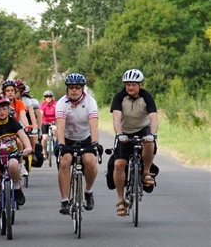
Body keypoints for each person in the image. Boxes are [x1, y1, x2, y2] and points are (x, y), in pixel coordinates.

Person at [110, 69, 158, 217]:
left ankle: (146, 172)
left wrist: (153, 135)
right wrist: (119, 135)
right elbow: (116, 118)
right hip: (124, 132)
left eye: (133, 85)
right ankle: (121, 200)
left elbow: (154, 118)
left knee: (149, 143)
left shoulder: (146, 96)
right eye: (128, 84)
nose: (130, 87)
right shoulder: (119, 97)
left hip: (142, 129)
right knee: (118, 165)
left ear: (140, 85)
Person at [55, 73, 102, 215]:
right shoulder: (61, 103)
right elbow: (61, 127)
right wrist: (61, 145)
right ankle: (64, 201)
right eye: (71, 87)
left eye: (77, 87)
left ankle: (88, 191)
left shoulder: (90, 102)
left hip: (85, 138)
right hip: (67, 138)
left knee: (90, 161)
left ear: (82, 88)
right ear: (67, 89)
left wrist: (95, 143)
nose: (74, 90)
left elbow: (93, 126)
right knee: (65, 162)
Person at [1, 80, 31, 176]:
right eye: (8, 91)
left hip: (14, 129)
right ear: (4, 93)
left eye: (12, 91)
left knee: (18, 142)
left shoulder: (19, 103)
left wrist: (27, 126)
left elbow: (23, 116)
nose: (10, 93)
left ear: (15, 92)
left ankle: (21, 165)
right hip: (1, 129)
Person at [40, 90, 57, 159]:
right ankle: (43, 150)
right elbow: (41, 113)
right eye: (47, 97)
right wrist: (40, 122)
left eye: (50, 97)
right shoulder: (43, 105)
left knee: (55, 132)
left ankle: (57, 149)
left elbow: (58, 112)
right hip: (45, 122)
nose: (48, 98)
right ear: (44, 98)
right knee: (44, 138)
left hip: (54, 121)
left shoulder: (55, 104)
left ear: (52, 97)